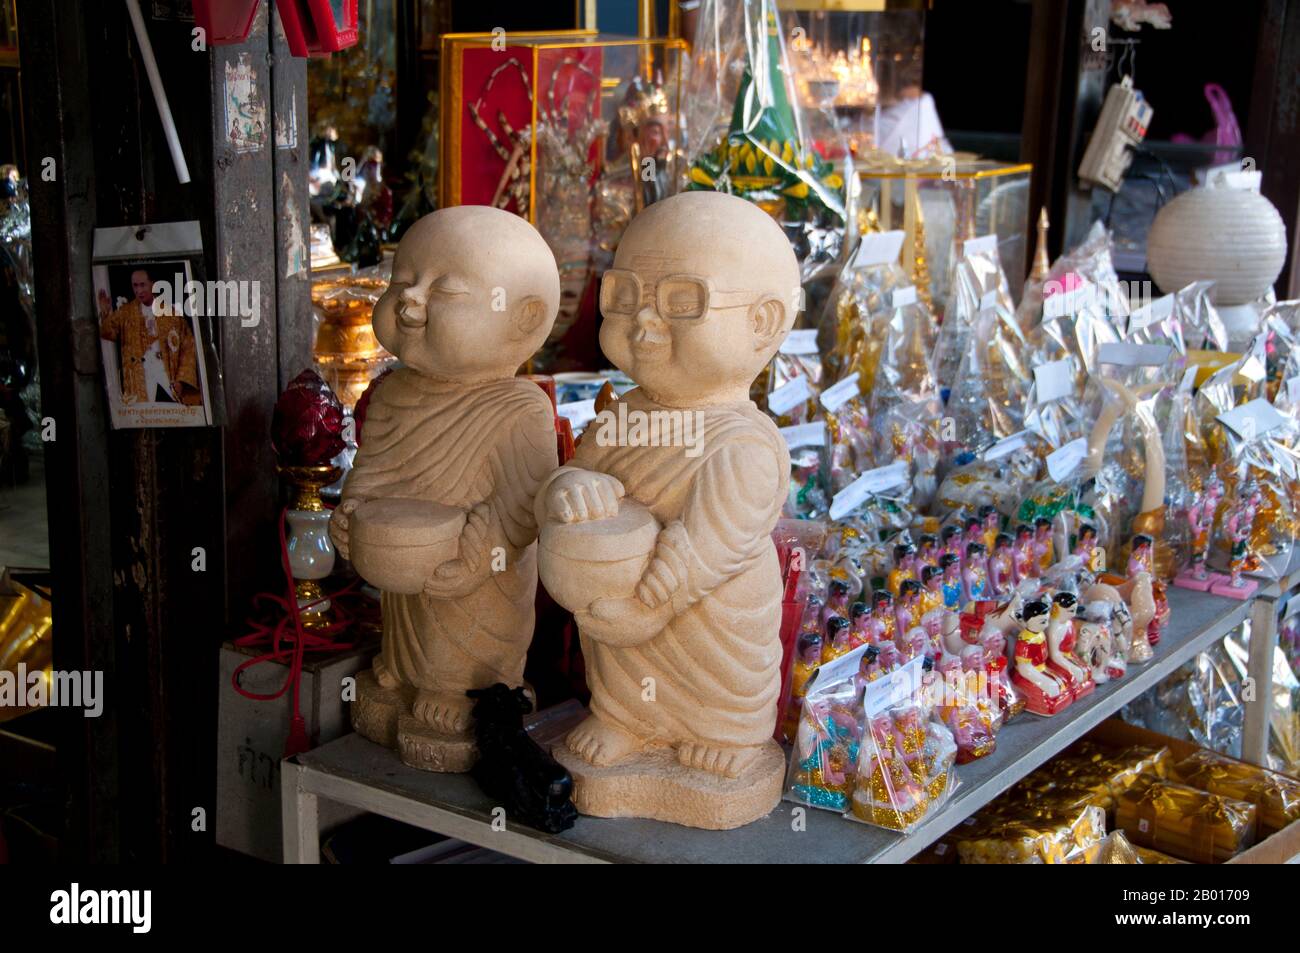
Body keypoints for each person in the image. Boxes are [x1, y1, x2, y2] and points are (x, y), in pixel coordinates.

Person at [98, 268, 199, 405]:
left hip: (166, 372)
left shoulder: (172, 314)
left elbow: (188, 348)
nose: (139, 291)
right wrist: (105, 313)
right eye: (135, 286)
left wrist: (181, 381)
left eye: (142, 285)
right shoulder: (126, 313)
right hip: (140, 376)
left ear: (153, 284)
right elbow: (108, 333)